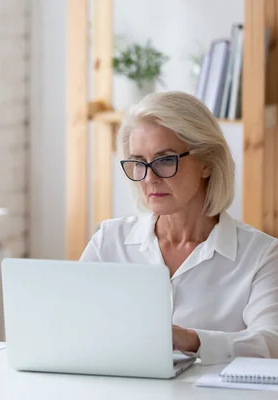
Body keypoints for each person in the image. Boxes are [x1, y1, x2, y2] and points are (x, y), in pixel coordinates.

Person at [80, 91, 278, 365]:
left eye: (165, 160)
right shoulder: (109, 242)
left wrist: (192, 339)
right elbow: (72, 325)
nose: (149, 178)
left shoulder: (261, 255)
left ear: (207, 162)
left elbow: (272, 342)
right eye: (139, 162)